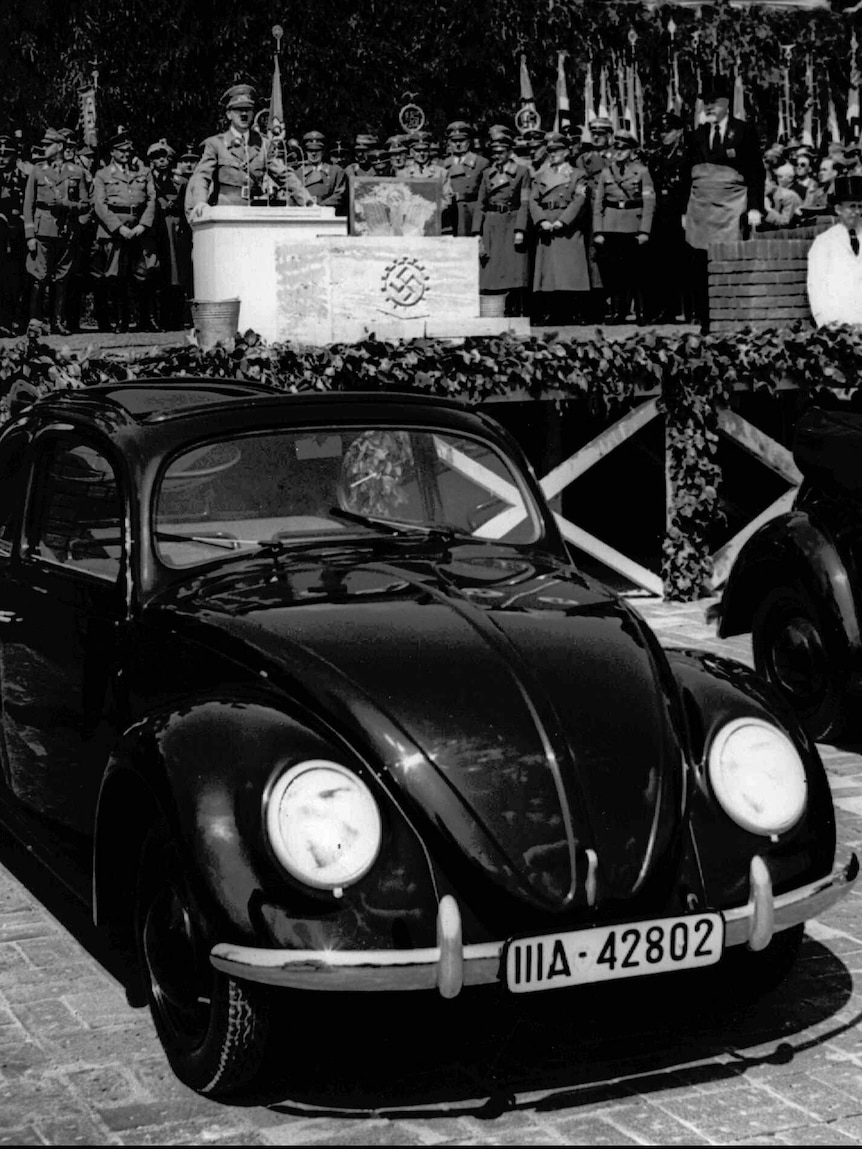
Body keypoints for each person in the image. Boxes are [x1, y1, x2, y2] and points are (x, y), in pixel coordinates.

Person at [684, 83, 765, 331]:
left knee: (730, 259)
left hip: (732, 206)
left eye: (714, 102)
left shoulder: (743, 131)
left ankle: (732, 319)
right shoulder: (696, 134)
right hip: (701, 207)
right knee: (700, 263)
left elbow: (755, 173)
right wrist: (683, 211)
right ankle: (706, 321)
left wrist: (754, 207)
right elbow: (686, 175)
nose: (709, 107)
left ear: (726, 104)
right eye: (705, 102)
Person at [186, 85, 310, 216]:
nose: (244, 114)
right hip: (224, 213)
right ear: (229, 114)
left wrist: (307, 201)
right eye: (238, 110)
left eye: (248, 110)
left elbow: (284, 175)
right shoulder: (215, 144)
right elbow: (202, 176)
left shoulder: (263, 145)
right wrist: (200, 202)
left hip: (253, 214)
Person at [22, 126, 90, 333]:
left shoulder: (76, 172)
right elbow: (28, 204)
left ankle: (57, 322)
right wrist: (29, 235)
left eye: (48, 145)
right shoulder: (37, 170)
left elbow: (86, 204)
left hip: (66, 230)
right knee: (39, 276)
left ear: (59, 147)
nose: (44, 148)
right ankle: (36, 322)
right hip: (42, 230)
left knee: (62, 277)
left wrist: (66, 205)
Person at [91, 127, 158, 332]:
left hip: (139, 228)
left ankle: (146, 320)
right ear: (112, 152)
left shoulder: (143, 172)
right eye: (121, 151)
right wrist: (119, 228)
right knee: (117, 276)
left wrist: (142, 225)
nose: (126, 154)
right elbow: (99, 205)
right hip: (115, 231)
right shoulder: (102, 174)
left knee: (143, 274)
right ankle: (122, 321)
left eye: (128, 151)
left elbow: (151, 199)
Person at [592, 130, 655, 324]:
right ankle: (619, 312)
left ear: (632, 151)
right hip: (611, 226)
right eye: (616, 148)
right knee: (614, 274)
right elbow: (598, 203)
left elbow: (649, 203)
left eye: (624, 148)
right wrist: (598, 230)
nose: (619, 152)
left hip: (633, 225)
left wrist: (644, 230)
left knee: (637, 273)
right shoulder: (606, 172)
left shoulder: (642, 171)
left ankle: (641, 313)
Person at [528, 132, 590, 325]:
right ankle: (551, 313)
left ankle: (575, 312)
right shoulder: (540, 176)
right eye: (550, 151)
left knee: (571, 270)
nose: (553, 154)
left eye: (557, 150)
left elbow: (579, 200)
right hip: (547, 224)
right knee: (549, 272)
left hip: (567, 226)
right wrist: (541, 221)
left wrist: (563, 221)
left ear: (566, 152)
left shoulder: (577, 174)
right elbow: (533, 201)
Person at [471, 126, 529, 315]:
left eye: (501, 152)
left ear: (509, 152)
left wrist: (520, 228)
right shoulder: (487, 174)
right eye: (494, 153)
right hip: (492, 223)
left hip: (511, 222)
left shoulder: (521, 172)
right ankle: (493, 311)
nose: (497, 156)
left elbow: (524, 203)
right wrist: (477, 232)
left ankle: (515, 309)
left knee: (513, 268)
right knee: (491, 268)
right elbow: (480, 203)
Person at [646, 111, 692, 323]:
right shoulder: (655, 157)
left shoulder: (687, 155)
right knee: (660, 263)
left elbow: (690, 188)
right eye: (661, 131)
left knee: (682, 262)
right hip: (659, 214)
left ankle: (688, 310)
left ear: (679, 132)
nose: (664, 135)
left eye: (669, 131)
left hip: (680, 213)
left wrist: (686, 212)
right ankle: (664, 310)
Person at [806, 174, 862, 327]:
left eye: (859, 206)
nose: (856, 212)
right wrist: (826, 320)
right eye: (851, 206)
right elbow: (816, 284)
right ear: (838, 209)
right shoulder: (824, 242)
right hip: (839, 323)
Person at [149, 139, 191, 330]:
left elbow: (185, 206)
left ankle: (173, 318)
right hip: (152, 228)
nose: (162, 161)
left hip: (172, 227)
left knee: (175, 273)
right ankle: (151, 317)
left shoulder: (180, 182)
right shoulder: (147, 180)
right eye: (157, 158)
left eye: (165, 157)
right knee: (151, 273)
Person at [0, 134, 27, 335]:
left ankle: (16, 321)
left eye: (6, 155)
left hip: (17, 235)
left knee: (16, 279)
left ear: (15, 156)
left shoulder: (24, 177)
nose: (1, 158)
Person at [442, 120, 488, 236]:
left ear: (469, 141)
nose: (458, 144)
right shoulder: (442, 165)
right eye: (454, 141)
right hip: (450, 213)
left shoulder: (481, 163)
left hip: (472, 212)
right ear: (449, 143)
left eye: (461, 140)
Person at [298, 130, 347, 212]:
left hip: (329, 214)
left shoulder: (335, 171)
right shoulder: (299, 173)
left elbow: (340, 194)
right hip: (305, 214)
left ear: (323, 152)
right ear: (305, 152)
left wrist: (320, 206)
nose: (313, 154)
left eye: (317, 150)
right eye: (310, 151)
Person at [763, 162, 802, 229]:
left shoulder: (789, 196)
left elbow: (786, 223)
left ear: (773, 183)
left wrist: (768, 210)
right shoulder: (765, 196)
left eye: (764, 185)